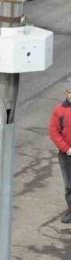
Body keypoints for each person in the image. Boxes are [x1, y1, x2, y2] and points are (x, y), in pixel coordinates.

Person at [48, 83, 71, 224]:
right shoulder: (59, 111)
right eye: (70, 92)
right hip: (66, 154)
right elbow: (54, 132)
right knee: (69, 184)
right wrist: (67, 149)